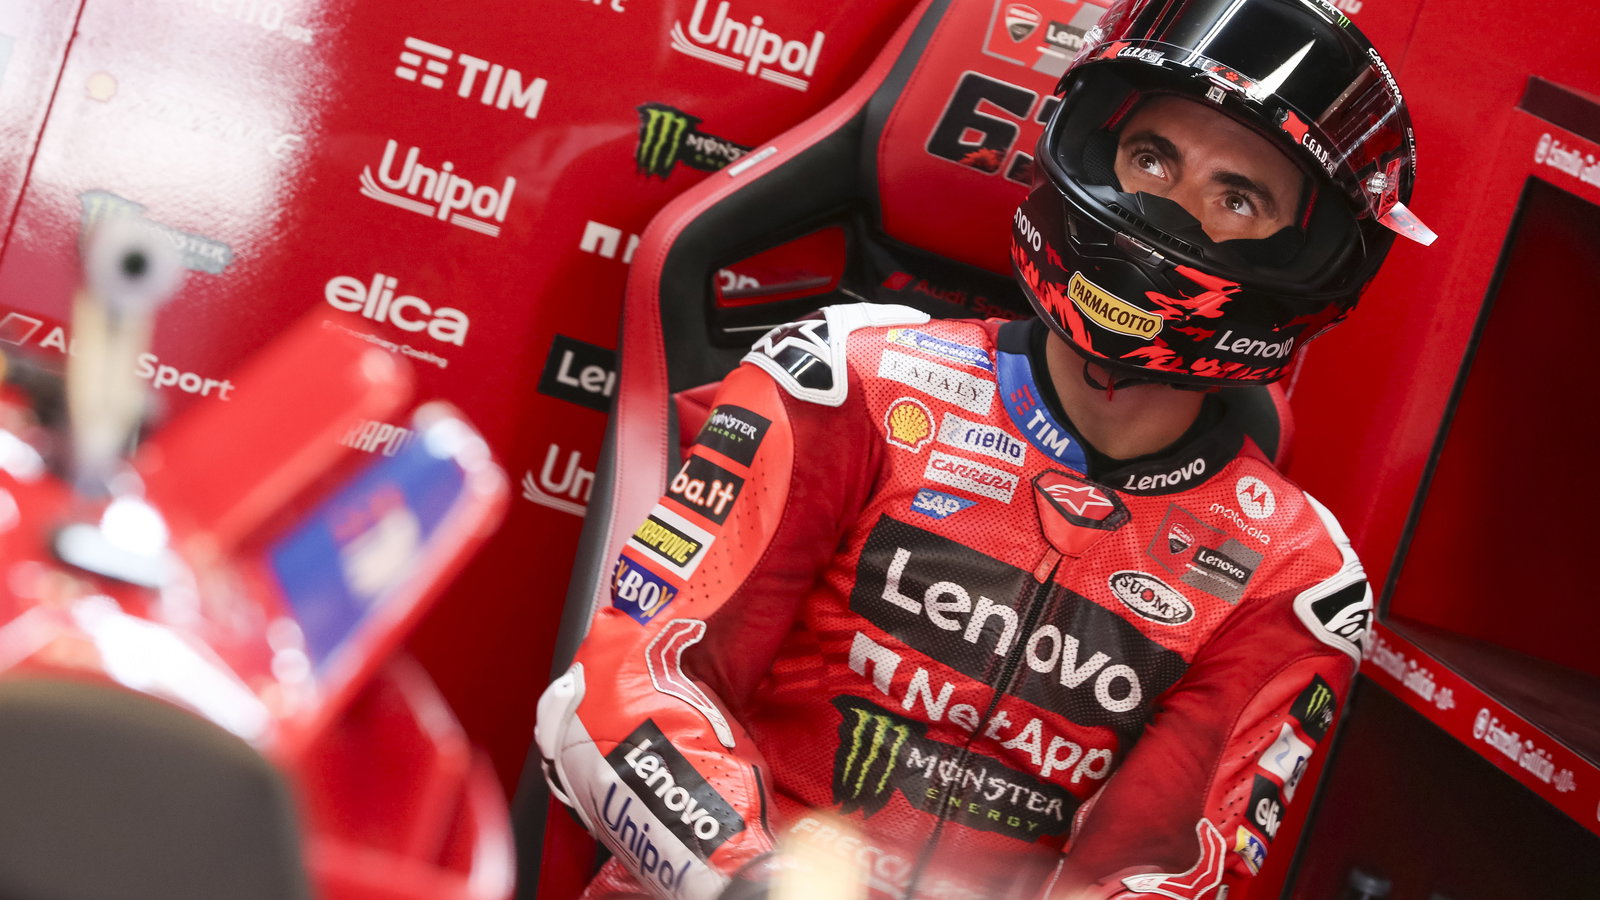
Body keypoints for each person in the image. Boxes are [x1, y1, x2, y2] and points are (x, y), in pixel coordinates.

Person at [535, 0, 1433, 897]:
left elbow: (1160, 875)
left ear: (1303, 261)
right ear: (1089, 152)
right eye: (1152, 158)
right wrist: (749, 882)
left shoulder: (1294, 582)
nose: (1168, 211)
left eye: (1236, 198)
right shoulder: (844, 383)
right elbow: (615, 695)